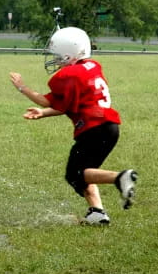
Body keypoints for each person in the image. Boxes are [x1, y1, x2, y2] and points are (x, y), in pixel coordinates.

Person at [9, 27, 138, 225]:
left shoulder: (70, 75)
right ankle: (97, 212)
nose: (56, 60)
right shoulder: (93, 66)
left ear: (69, 53)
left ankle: (120, 178)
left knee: (75, 173)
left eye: (58, 55)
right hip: (109, 127)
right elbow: (68, 104)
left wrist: (21, 87)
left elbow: (46, 100)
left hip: (94, 128)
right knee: (86, 171)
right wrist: (43, 114)